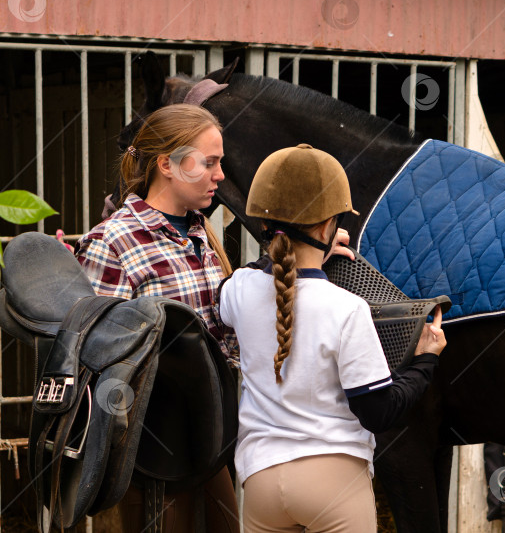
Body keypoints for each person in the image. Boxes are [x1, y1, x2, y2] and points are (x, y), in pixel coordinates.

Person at [218, 143, 447, 533]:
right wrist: (426, 359)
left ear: (262, 224)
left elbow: (260, 278)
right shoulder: (347, 309)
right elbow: (378, 413)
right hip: (333, 480)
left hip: (260, 480)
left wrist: (297, 255)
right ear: (328, 228)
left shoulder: (238, 289)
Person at [75, 103, 239, 532]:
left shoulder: (203, 233)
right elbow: (95, 357)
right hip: (149, 453)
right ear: (167, 164)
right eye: (209, 162)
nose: (220, 175)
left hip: (210, 438)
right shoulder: (112, 241)